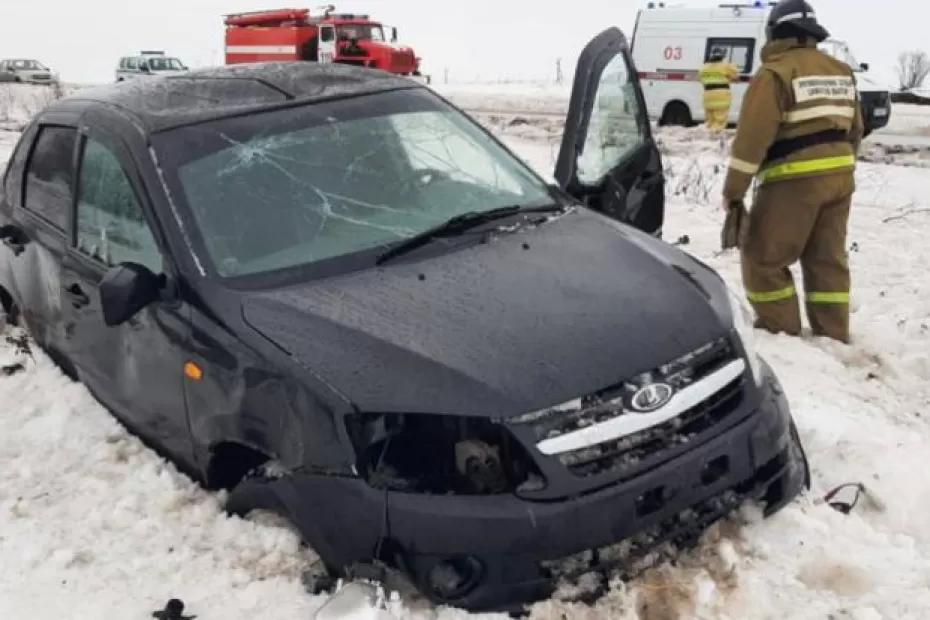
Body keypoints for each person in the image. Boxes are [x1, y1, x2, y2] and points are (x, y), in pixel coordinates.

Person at [722, 0, 864, 343]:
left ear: (775, 32)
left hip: (793, 180)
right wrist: (839, 168)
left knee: (763, 258)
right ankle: (833, 334)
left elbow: (751, 140)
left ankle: (780, 330)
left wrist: (734, 192)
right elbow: (856, 129)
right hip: (840, 178)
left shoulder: (775, 72)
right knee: (826, 259)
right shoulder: (840, 70)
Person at [699, 48, 740, 132]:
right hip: (721, 96)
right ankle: (715, 139)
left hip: (708, 96)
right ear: (722, 56)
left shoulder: (703, 67)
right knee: (720, 121)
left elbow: (702, 82)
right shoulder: (726, 66)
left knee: (710, 121)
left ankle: (707, 139)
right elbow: (736, 78)